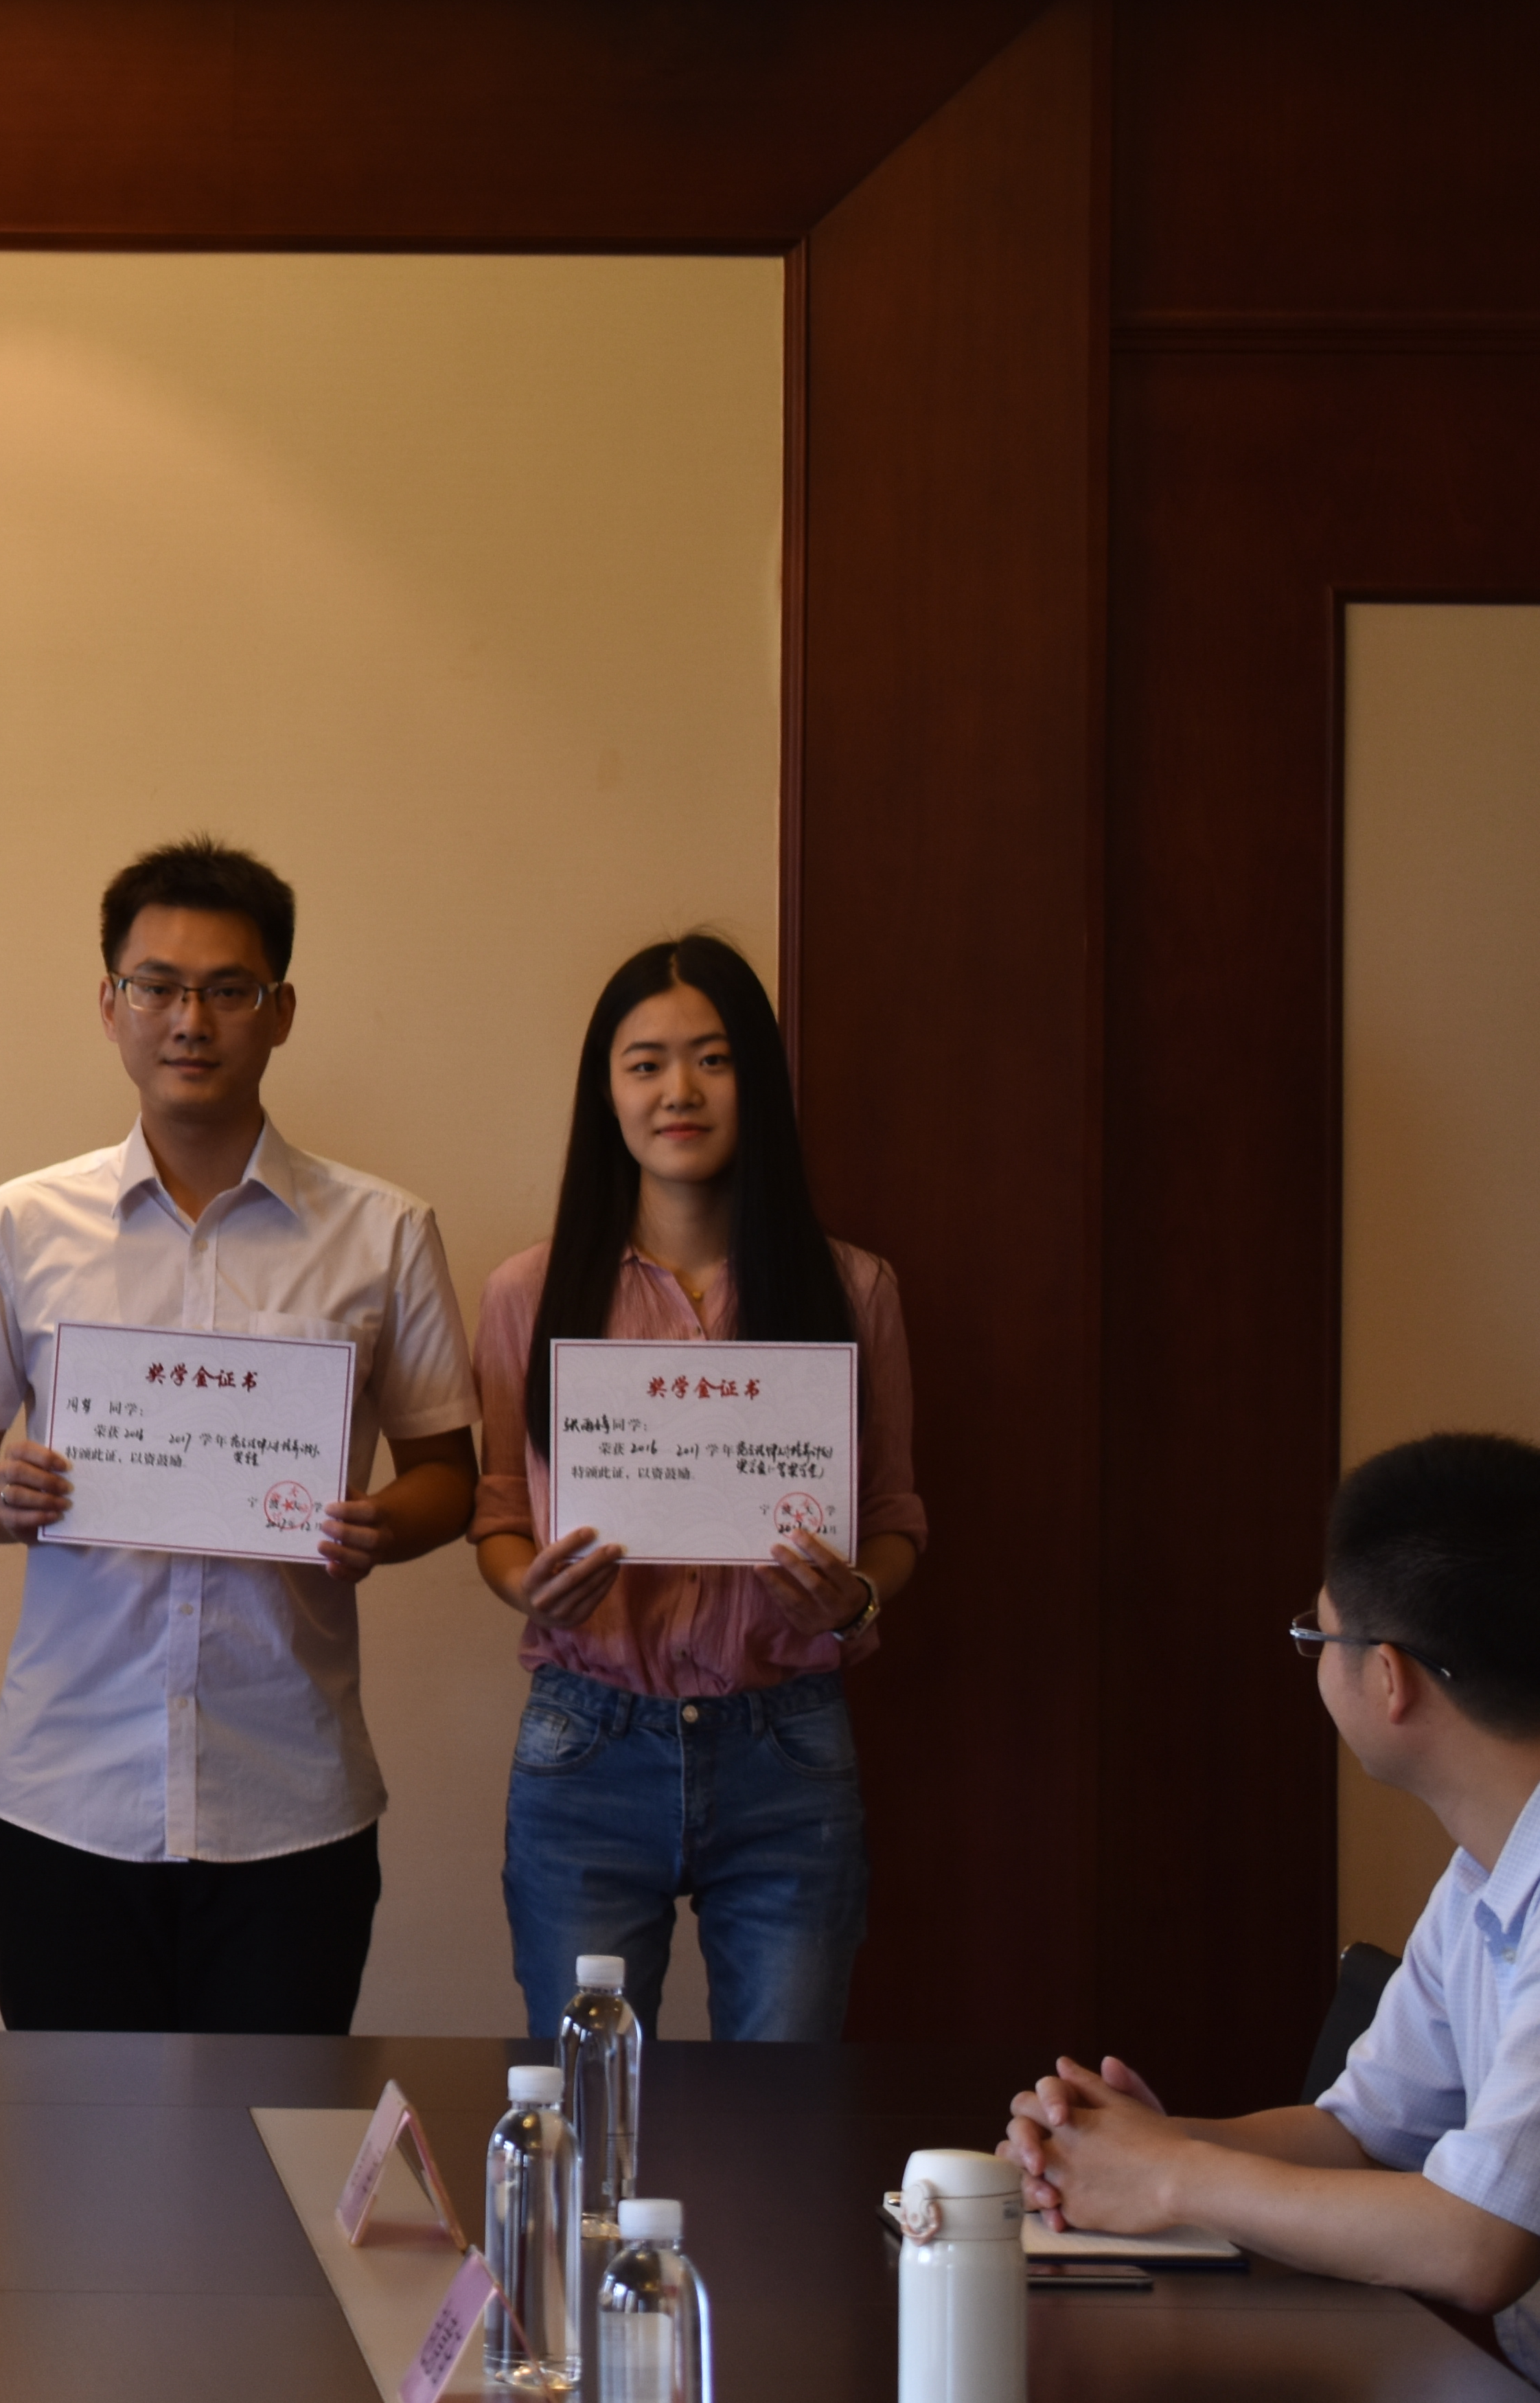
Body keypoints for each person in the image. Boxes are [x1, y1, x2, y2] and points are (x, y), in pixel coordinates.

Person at [0, 838, 478, 2033]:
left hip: (291, 1797)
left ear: (281, 1011)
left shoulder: (383, 1232)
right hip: (64, 1796)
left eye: (228, 989)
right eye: (158, 987)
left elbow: (449, 1475)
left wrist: (384, 1526)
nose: (190, 1020)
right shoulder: (21, 1224)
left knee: (272, 2135)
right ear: (110, 1005)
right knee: (75, 2136)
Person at [1008, 1433, 1540, 2371]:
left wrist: (1173, 2177)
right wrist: (1127, 2144)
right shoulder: (1482, 1875)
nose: (1313, 1662)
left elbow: (1477, 2243)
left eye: (1318, 1638)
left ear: (1389, 1677)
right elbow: (1364, 2135)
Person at [470, 933, 917, 2042]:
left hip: (788, 1746)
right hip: (586, 1741)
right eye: (647, 1063)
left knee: (783, 2107)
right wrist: (531, 1585)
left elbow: (896, 1516)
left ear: (758, 1081)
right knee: (588, 2103)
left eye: (714, 1059)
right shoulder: (529, 1292)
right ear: (607, 1092)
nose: (680, 1091)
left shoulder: (852, 1289)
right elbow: (500, 1514)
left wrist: (855, 1598)